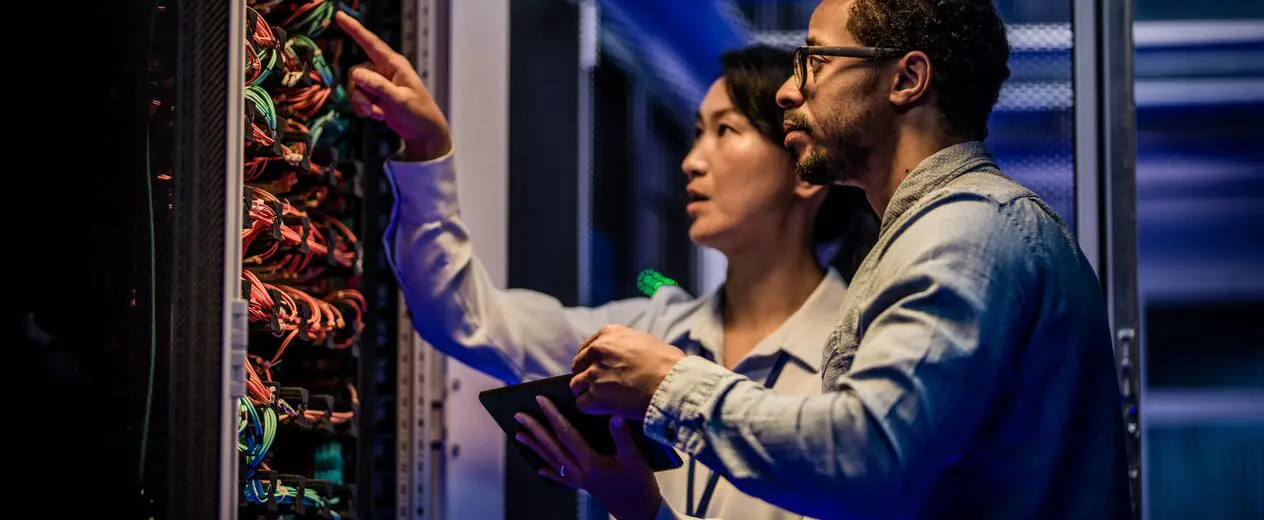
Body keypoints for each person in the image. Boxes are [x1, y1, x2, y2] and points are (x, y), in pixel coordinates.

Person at [560, 1, 1134, 519]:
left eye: (814, 60)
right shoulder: (927, 237)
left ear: (906, 80)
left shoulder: (965, 231)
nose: (788, 90)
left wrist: (669, 384)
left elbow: (862, 458)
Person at [332, 11, 878, 520]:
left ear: (805, 172)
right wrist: (428, 153)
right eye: (695, 133)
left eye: (726, 131)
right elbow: (466, 318)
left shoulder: (855, 363)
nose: (691, 161)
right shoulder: (653, 332)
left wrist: (643, 510)